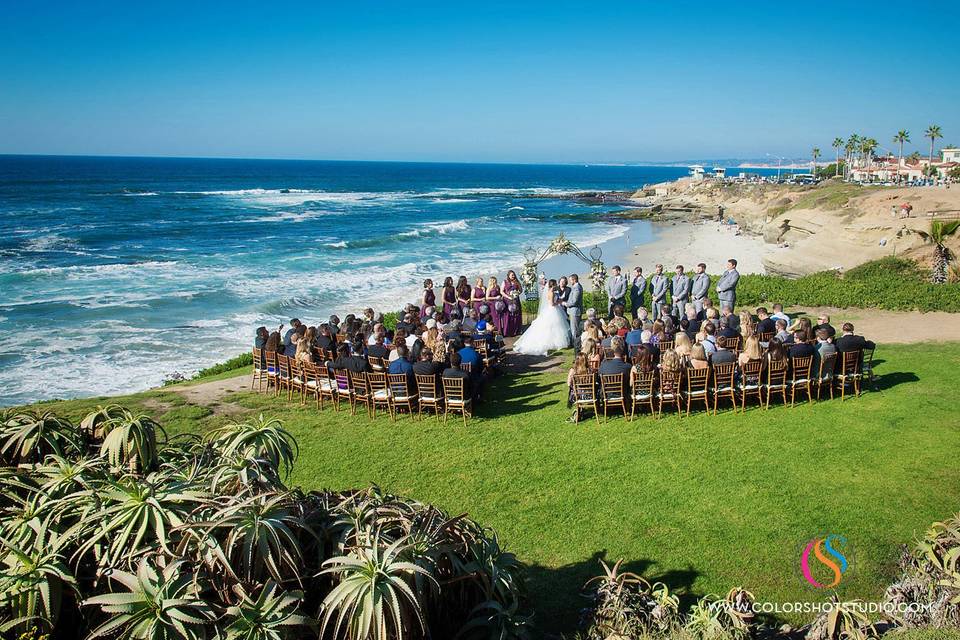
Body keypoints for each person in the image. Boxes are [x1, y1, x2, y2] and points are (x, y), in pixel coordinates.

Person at [512, 278, 571, 355]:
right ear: (553, 285)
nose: (557, 285)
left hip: (551, 310)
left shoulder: (550, 291)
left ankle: (553, 342)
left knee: (553, 327)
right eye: (556, 284)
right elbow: (552, 304)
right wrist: (558, 302)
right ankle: (552, 342)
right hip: (553, 310)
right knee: (554, 326)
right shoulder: (551, 293)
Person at [562, 273, 584, 351]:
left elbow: (574, 301)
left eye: (571, 280)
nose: (570, 282)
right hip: (573, 311)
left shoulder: (577, 288)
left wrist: (566, 304)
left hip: (575, 311)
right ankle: (575, 344)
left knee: (574, 329)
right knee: (573, 329)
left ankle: (576, 345)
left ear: (574, 280)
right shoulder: (576, 287)